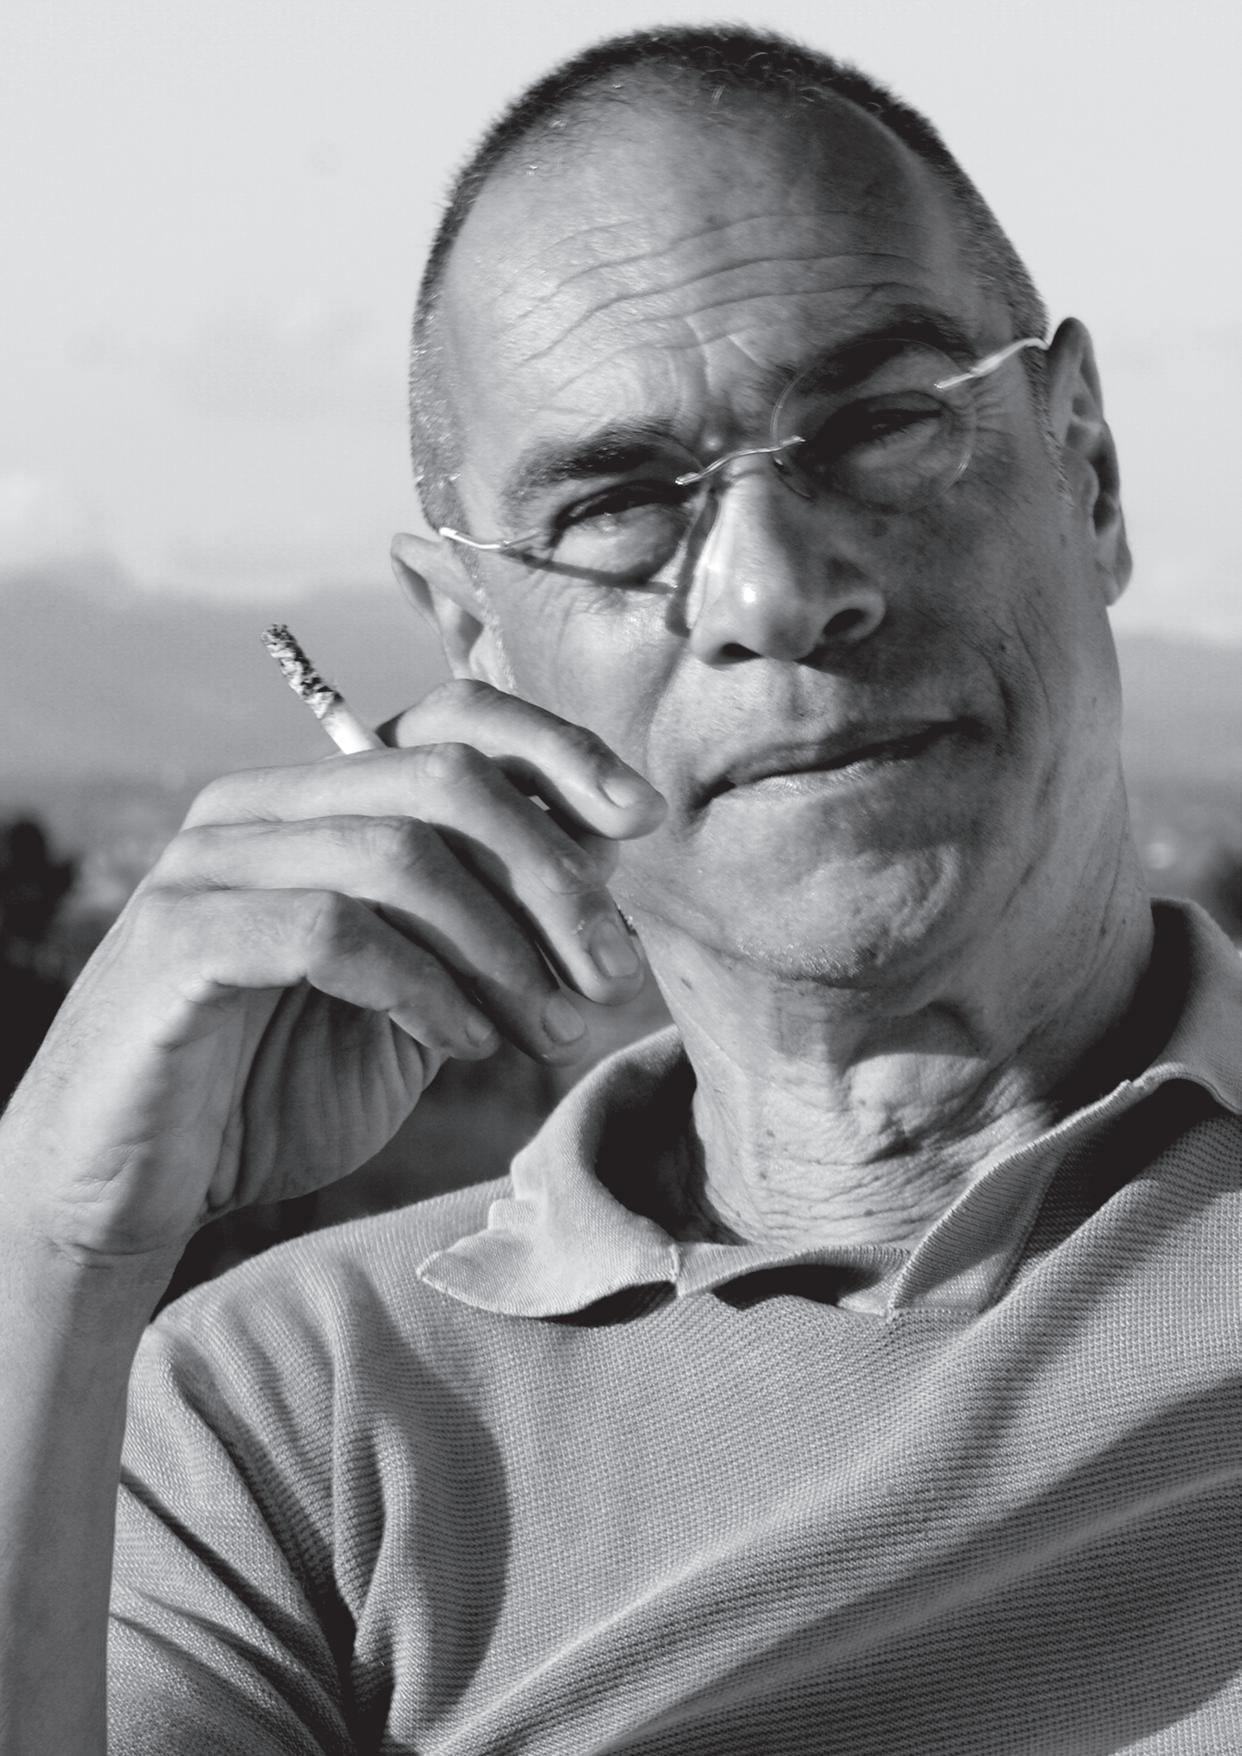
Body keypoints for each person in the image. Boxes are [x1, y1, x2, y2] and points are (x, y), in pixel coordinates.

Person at [1, 25, 1239, 1754]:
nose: (776, 593)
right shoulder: (285, 1421)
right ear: (473, 643)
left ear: (1084, 469)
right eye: (617, 507)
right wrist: (57, 1251)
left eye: (880, 426)